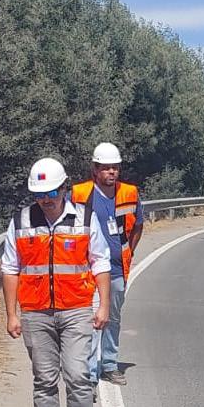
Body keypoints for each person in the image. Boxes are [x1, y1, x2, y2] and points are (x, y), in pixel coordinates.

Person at [1, 158, 110, 407]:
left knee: (78, 376)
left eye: (51, 192)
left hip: (76, 309)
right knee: (44, 381)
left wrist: (103, 306)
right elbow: (10, 268)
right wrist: (11, 313)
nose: (46, 199)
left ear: (64, 188)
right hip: (35, 313)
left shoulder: (85, 218)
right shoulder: (21, 221)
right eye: (39, 194)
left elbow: (100, 262)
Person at [71, 142, 144, 386]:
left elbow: (138, 225)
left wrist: (129, 252)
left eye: (115, 167)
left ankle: (110, 365)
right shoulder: (80, 194)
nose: (111, 172)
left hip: (117, 269)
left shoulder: (129, 193)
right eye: (106, 167)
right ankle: (91, 374)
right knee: (93, 320)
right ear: (95, 169)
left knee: (112, 318)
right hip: (89, 269)